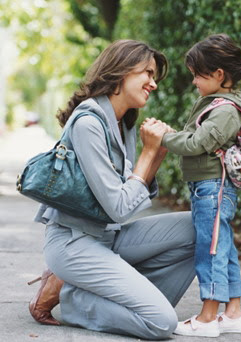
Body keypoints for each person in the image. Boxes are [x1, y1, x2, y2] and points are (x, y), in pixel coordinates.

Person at [28, 39, 196, 340]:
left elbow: (128, 204)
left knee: (200, 227)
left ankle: (119, 296)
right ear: (122, 71)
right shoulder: (88, 123)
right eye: (147, 73)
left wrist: (155, 156)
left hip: (108, 236)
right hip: (73, 244)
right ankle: (71, 297)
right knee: (161, 323)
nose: (153, 84)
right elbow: (118, 206)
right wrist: (147, 154)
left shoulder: (123, 123)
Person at [155, 33, 241, 337]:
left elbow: (198, 142)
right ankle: (232, 313)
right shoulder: (223, 104)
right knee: (224, 248)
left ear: (219, 75)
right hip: (210, 187)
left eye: (197, 75)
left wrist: (163, 138)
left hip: (212, 187)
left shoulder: (225, 110)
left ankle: (208, 318)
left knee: (210, 250)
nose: (193, 81)